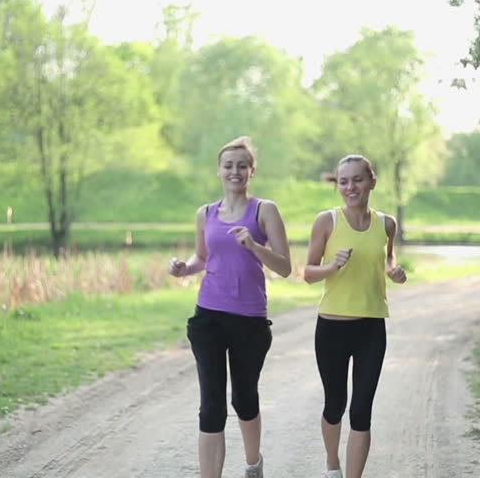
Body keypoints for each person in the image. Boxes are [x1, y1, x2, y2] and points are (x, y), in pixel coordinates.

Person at [167, 136, 291, 478]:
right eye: (228, 165)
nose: (234, 171)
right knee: (211, 407)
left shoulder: (265, 210)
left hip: (249, 320)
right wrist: (184, 269)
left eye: (241, 166)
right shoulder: (205, 213)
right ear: (219, 171)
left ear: (251, 172)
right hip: (208, 317)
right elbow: (203, 258)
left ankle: (253, 465)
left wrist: (254, 246)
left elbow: (284, 267)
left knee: (245, 400)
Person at [303, 154, 407, 478]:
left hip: (372, 328)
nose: (350, 187)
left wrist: (394, 271)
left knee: (361, 411)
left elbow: (388, 258)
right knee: (335, 405)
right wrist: (332, 266)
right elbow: (307, 272)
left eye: (357, 180)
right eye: (343, 181)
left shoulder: (387, 223)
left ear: (372, 182)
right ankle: (332, 463)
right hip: (332, 328)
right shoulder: (327, 221)